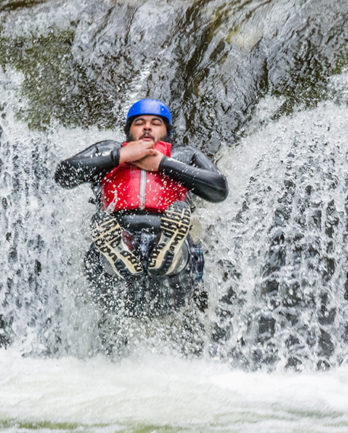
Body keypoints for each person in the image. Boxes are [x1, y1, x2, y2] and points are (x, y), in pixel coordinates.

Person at [54, 99, 228, 315]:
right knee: (105, 238)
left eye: (156, 123)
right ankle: (118, 253)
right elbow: (63, 175)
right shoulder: (108, 150)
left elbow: (219, 189)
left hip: (170, 265)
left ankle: (170, 254)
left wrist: (162, 164)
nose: (147, 126)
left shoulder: (184, 156)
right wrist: (119, 157)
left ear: (167, 132)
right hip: (119, 239)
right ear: (128, 131)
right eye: (139, 122)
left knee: (182, 243)